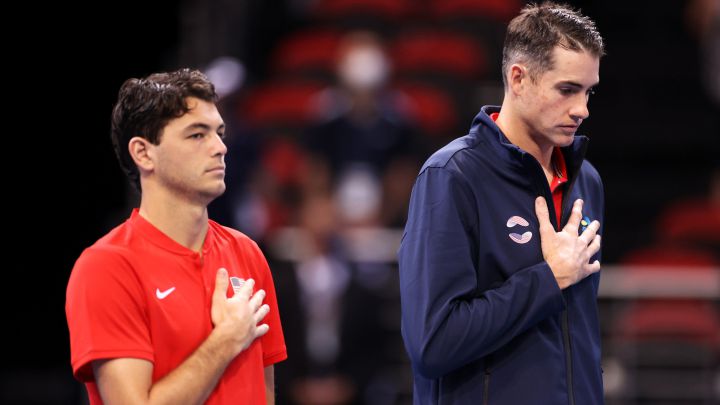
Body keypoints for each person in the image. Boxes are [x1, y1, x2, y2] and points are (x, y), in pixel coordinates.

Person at [398, 3, 606, 404]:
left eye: (588, 91)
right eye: (567, 89)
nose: (582, 109)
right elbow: (433, 343)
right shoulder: (452, 176)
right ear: (519, 78)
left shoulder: (586, 181)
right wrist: (549, 279)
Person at [66, 69, 287, 404]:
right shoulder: (106, 266)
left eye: (220, 132)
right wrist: (226, 340)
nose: (220, 147)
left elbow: (264, 393)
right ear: (143, 153)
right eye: (197, 135)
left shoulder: (248, 253)